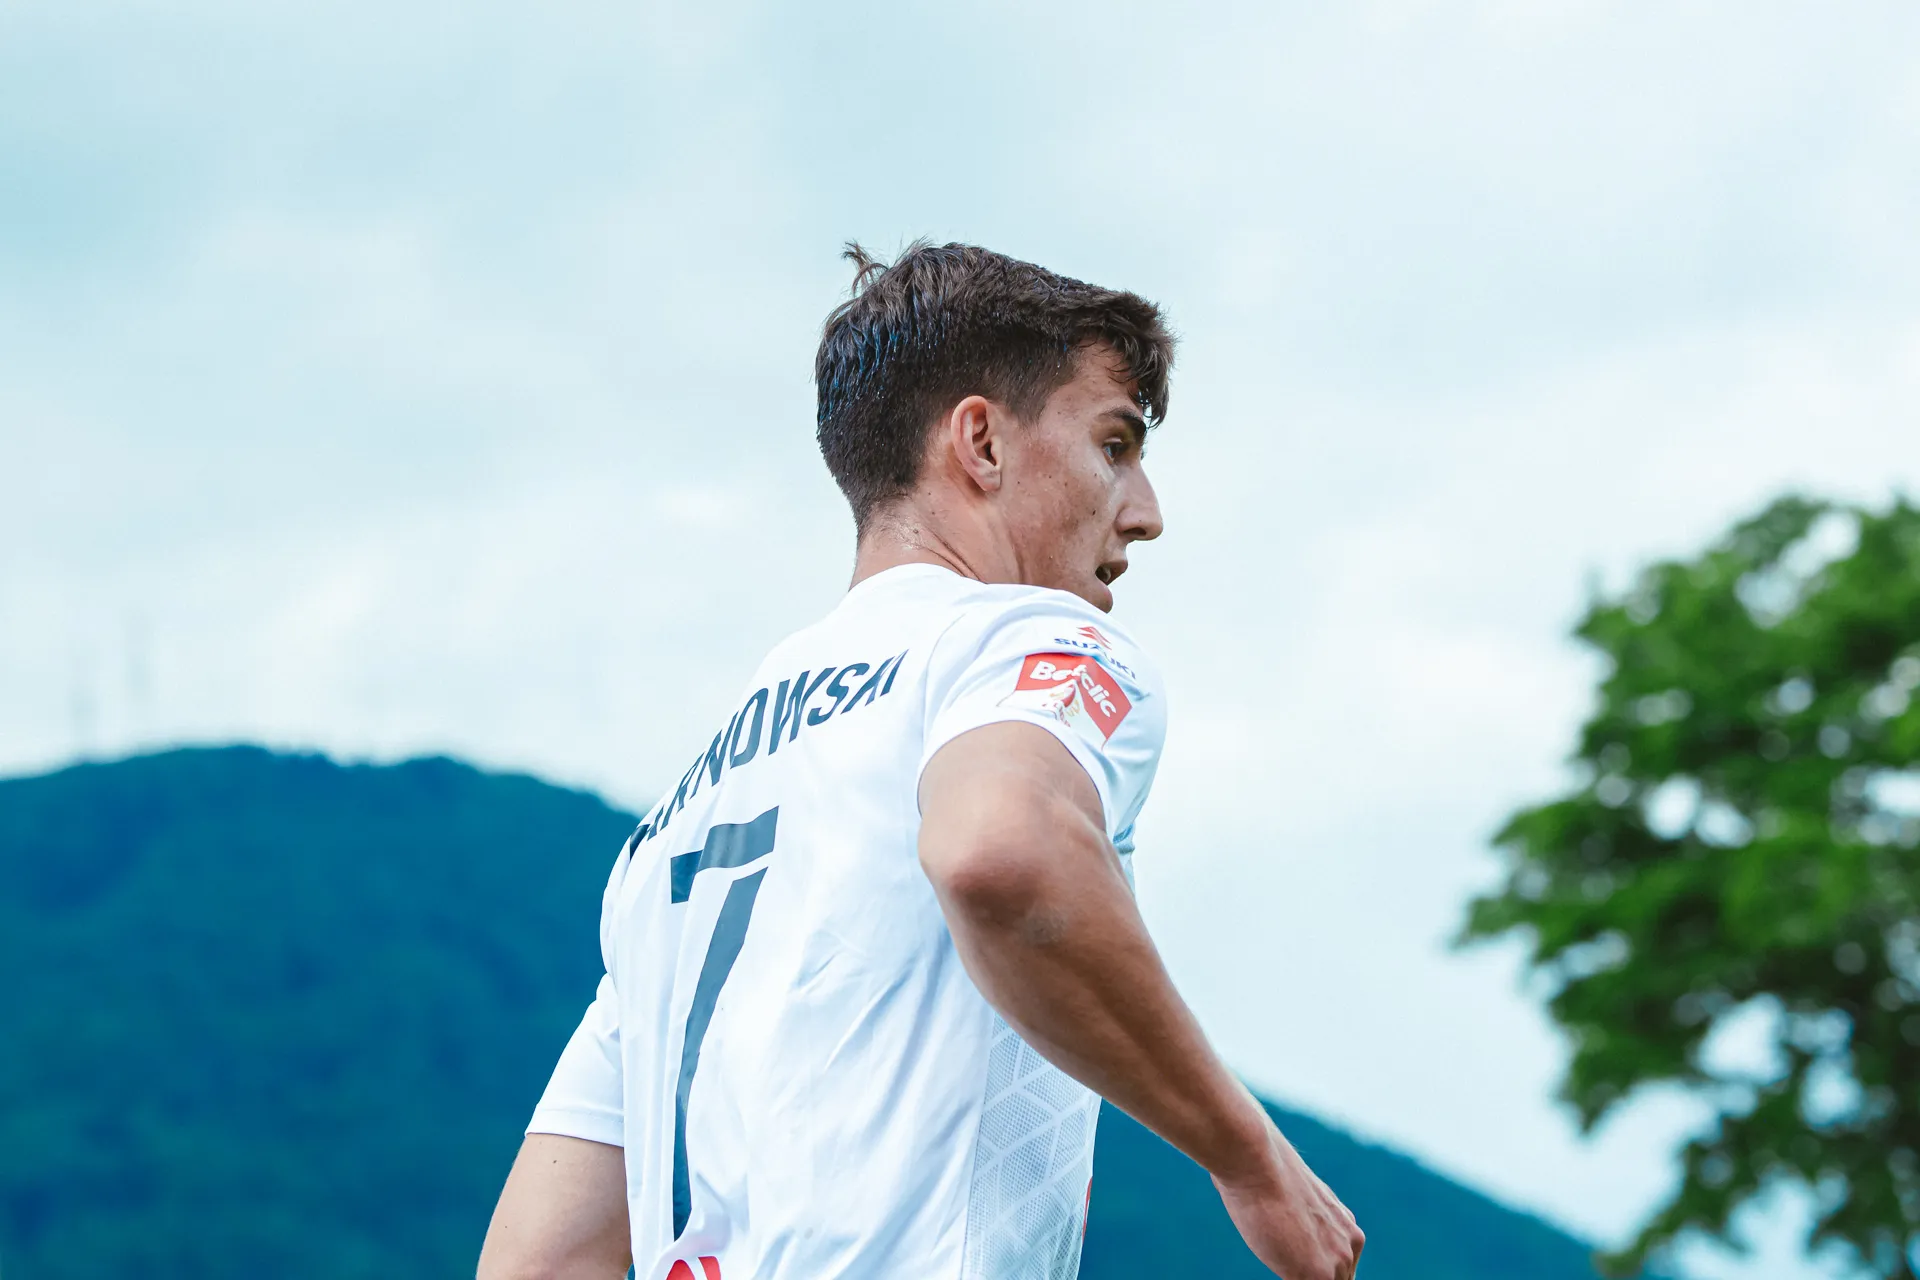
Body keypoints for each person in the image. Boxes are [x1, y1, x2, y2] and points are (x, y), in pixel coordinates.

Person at [476, 242, 1363, 1280]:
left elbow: (536, 1261)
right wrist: (1252, 1161)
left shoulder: (676, 826)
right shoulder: (1019, 644)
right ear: (981, 442)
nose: (1146, 510)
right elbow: (1002, 850)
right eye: (1115, 444)